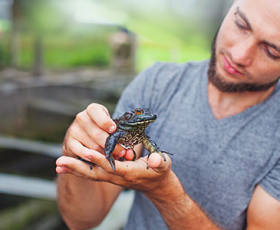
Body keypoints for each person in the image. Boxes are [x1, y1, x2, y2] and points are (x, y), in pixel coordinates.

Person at [56, 0, 280, 229]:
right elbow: (79, 220)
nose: (240, 55)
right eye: (241, 25)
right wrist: (76, 151)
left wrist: (167, 194)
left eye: (271, 51)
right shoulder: (156, 83)